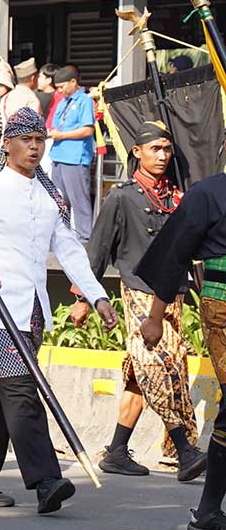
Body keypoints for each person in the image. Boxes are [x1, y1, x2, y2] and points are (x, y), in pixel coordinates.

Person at [0, 108, 117, 514]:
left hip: (34, 311)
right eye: (26, 139)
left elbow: (70, 251)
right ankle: (46, 479)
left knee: (4, 395)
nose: (34, 147)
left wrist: (97, 296)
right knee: (22, 389)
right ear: (7, 145)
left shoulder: (50, 194)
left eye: (40, 140)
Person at [80, 121, 206, 480]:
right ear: (137, 152)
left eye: (167, 149)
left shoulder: (176, 195)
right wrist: (84, 298)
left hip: (173, 296)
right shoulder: (123, 196)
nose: (163, 156)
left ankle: (117, 449)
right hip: (139, 292)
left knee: (149, 373)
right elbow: (99, 247)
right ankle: (184, 448)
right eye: (156, 149)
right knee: (155, 368)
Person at [135, 169, 226, 530]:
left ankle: (206, 512)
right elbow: (174, 257)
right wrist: (155, 318)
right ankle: (206, 511)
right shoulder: (208, 194)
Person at [48, 65, 96, 241]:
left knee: (79, 200)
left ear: (73, 82)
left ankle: (85, 237)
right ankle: (61, 236)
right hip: (58, 155)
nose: (60, 90)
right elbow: (55, 125)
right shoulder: (62, 102)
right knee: (59, 201)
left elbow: (87, 130)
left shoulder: (85, 101)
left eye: (62, 86)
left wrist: (62, 135)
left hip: (75, 157)